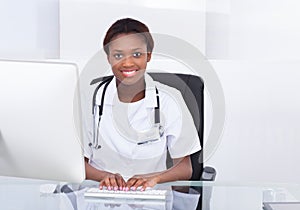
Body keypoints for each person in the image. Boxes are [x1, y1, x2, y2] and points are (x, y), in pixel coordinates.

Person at [84, 18, 201, 191]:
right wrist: (105, 177)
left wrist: (153, 179)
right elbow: (75, 163)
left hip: (150, 198)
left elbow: (185, 168)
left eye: (137, 54)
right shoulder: (88, 99)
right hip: (98, 197)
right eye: (118, 55)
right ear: (108, 57)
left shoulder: (170, 100)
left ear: (149, 55)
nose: (128, 63)